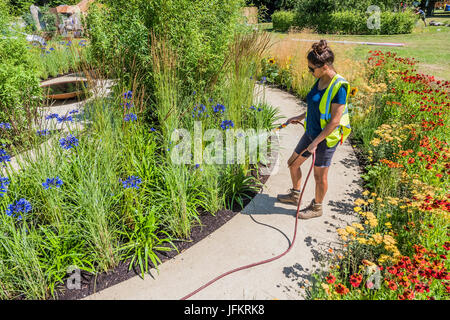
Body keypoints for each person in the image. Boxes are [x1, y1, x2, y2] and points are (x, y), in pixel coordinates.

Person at [277, 40, 351, 220]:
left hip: (325, 139)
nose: (310, 72)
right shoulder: (320, 80)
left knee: (319, 177)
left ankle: (317, 208)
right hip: (310, 133)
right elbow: (316, 105)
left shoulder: (339, 86)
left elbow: (334, 121)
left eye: (312, 69)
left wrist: (316, 143)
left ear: (325, 66)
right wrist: (300, 117)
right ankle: (295, 195)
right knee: (293, 164)